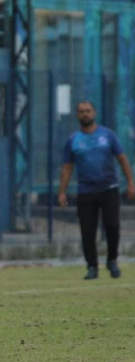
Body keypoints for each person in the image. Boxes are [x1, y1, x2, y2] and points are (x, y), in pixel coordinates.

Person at [58, 101, 135, 280]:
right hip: (86, 192)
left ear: (94, 112)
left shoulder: (108, 135)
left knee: (112, 226)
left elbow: (122, 158)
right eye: (82, 111)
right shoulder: (73, 140)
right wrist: (62, 192)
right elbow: (67, 167)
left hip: (109, 189)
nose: (85, 114)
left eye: (88, 111)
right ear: (77, 115)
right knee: (87, 230)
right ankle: (92, 266)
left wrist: (130, 182)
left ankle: (112, 260)